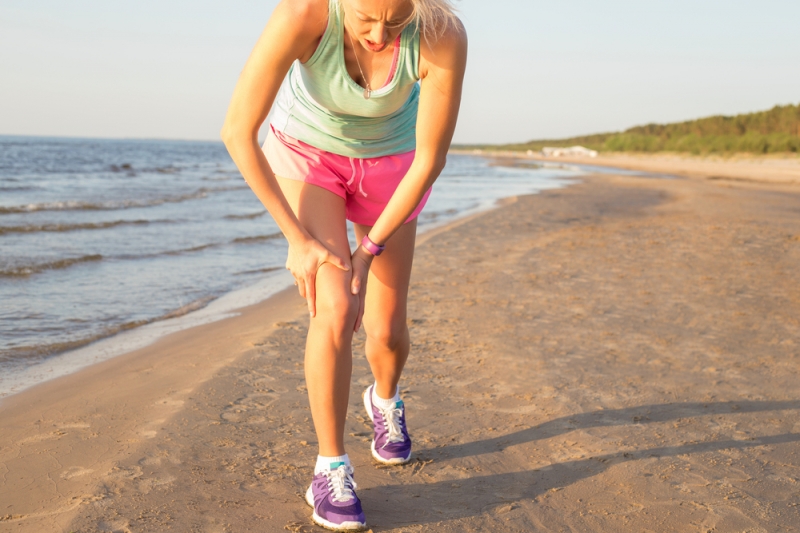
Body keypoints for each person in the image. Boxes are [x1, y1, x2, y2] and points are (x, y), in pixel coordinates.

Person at [221, 0, 466, 529]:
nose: (379, 35)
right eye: (365, 19)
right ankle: (330, 466)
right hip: (311, 155)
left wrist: (368, 247)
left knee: (384, 330)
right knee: (334, 307)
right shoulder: (303, 16)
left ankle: (385, 399)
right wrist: (295, 238)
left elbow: (431, 159)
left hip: (394, 168)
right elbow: (237, 133)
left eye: (395, 21)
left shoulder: (442, 35)